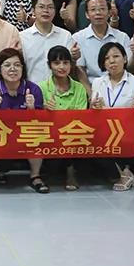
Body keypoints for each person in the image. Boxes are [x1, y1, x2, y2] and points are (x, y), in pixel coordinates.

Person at [0, 48, 47, 192]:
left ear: (23, 68)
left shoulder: (33, 89)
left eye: (17, 65)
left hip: (25, 132)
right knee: (0, 160)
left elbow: (41, 122)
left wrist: (31, 109)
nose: (12, 69)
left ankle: (35, 176)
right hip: (1, 133)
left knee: (36, 135)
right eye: (7, 65)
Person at [89, 42, 134, 191]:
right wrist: (95, 108)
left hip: (130, 136)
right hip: (105, 135)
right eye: (107, 58)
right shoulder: (97, 83)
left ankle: (124, 173)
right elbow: (92, 117)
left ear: (125, 59)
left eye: (116, 56)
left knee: (121, 147)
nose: (112, 61)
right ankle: (125, 172)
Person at [39, 45, 89, 190]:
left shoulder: (79, 88)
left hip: (72, 133)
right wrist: (45, 109)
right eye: (56, 63)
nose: (62, 67)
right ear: (49, 65)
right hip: (50, 134)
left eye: (66, 62)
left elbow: (81, 116)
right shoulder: (41, 87)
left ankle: (71, 173)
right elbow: (36, 117)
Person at [72, 0, 129, 85]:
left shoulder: (122, 37)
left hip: (120, 85)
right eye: (93, 9)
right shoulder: (78, 38)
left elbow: (128, 66)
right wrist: (90, 92)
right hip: (91, 86)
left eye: (102, 9)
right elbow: (80, 69)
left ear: (109, 13)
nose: (98, 13)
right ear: (87, 14)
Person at [19, 0, 75, 84]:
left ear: (55, 11)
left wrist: (75, 57)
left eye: (50, 7)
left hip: (59, 89)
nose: (45, 10)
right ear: (33, 11)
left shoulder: (65, 36)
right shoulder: (22, 37)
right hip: (32, 88)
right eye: (41, 7)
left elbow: (70, 66)